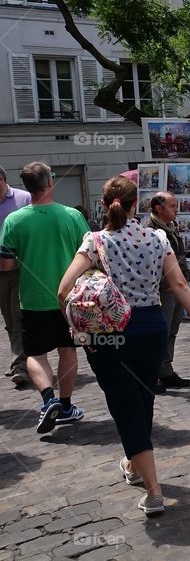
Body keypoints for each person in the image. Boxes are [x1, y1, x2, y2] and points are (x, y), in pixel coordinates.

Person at [58, 175, 190, 517]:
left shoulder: (95, 241)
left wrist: (78, 329)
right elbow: (180, 283)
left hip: (111, 332)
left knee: (126, 407)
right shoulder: (157, 238)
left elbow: (63, 289)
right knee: (143, 399)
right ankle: (134, 464)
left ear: (104, 203)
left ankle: (154, 492)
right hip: (152, 326)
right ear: (136, 204)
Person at [0, 162, 88, 433]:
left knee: (35, 354)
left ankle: (48, 399)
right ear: (49, 182)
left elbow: (5, 266)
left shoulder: (14, 220)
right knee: (67, 350)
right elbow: (89, 254)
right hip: (68, 299)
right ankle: (66, 403)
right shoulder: (72, 216)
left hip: (32, 299)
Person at [145, 192, 190, 393]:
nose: (177, 209)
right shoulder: (150, 230)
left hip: (177, 286)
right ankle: (152, 375)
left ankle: (166, 371)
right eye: (172, 206)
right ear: (159, 208)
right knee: (160, 333)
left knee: (172, 330)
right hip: (163, 289)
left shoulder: (171, 227)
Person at [0, 166, 31, 387]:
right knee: (9, 320)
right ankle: (18, 361)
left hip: (18, 269)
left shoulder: (23, 198)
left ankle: (20, 365)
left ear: (2, 179)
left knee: (17, 316)